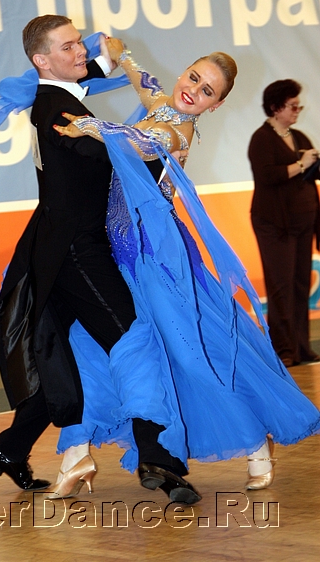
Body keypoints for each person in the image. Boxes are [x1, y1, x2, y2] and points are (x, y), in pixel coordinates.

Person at [51, 46, 320, 496]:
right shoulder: (163, 104)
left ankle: (255, 442)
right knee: (88, 343)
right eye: (193, 77)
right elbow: (147, 84)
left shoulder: (177, 133)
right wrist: (124, 56)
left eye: (207, 91)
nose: (194, 90)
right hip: (116, 254)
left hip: (157, 258)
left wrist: (92, 126)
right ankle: (76, 453)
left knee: (189, 355)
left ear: (216, 105)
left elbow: (138, 142)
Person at [0, 15, 201, 504]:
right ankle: (156, 457)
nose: (81, 51)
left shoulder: (55, 96)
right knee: (134, 340)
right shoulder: (56, 110)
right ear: (41, 60)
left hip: (57, 250)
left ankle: (10, 450)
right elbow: (116, 155)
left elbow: (83, 81)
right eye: (69, 46)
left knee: (65, 357)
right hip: (78, 251)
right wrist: (164, 139)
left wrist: (109, 60)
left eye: (80, 42)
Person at [248, 79, 320, 368]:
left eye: (298, 106)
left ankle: (302, 347)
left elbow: (311, 172)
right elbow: (269, 176)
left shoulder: (299, 137)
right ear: (276, 107)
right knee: (280, 287)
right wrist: (302, 163)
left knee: (301, 284)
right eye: (293, 106)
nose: (297, 111)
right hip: (275, 224)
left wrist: (312, 163)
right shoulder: (261, 139)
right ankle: (283, 349)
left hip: (303, 221)